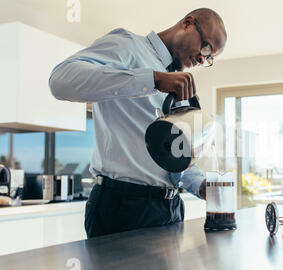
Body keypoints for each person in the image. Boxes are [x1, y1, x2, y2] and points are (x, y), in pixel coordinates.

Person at [49, 8, 227, 238]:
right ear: (188, 23)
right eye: (206, 48)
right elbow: (60, 80)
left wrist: (198, 184)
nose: (203, 59)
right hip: (123, 207)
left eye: (210, 58)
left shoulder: (176, 82)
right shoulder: (129, 46)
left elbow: (169, 154)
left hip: (170, 209)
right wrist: (152, 79)